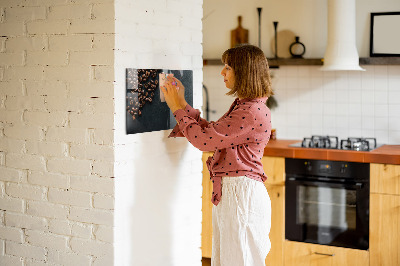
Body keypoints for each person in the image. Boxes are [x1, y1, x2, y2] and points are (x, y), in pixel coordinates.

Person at [161, 44, 273, 266]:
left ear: (244, 72)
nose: (222, 72)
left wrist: (176, 107)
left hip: (241, 195)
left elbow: (204, 141)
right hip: (236, 193)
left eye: (228, 67)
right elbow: (212, 133)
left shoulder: (250, 111)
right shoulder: (246, 106)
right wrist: (182, 103)